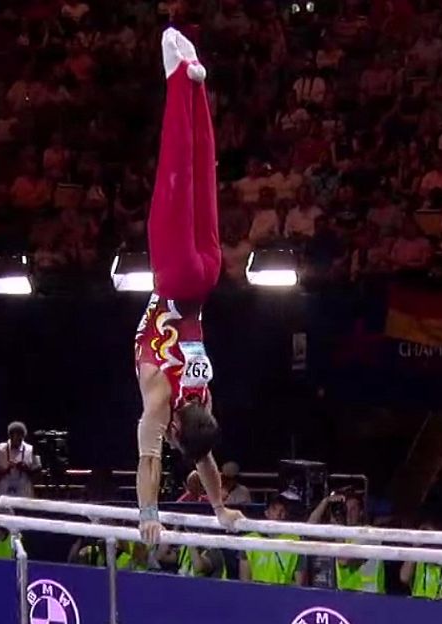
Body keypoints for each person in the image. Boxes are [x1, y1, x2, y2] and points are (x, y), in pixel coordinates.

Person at [132, 27, 243, 545]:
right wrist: (148, 514)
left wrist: (221, 509)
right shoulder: (160, 400)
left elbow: (205, 459)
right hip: (175, 276)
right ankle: (178, 78)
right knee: (175, 170)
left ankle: (198, 84)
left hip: (207, 276)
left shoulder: (203, 401)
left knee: (204, 177)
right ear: (178, 425)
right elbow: (147, 459)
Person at [238, 495, 306, 585]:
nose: (278, 514)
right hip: (256, 592)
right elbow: (244, 580)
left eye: (282, 511)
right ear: (266, 513)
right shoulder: (248, 540)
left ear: (285, 515)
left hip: (284, 593)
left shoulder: (295, 541)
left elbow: (299, 584)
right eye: (274, 509)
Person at [0, 421, 41, 498]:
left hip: (24, 493)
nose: (19, 441)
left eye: (21, 438)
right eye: (17, 437)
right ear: (10, 436)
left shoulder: (31, 449)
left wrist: (26, 469)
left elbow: (38, 474)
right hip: (5, 492)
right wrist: (5, 470)